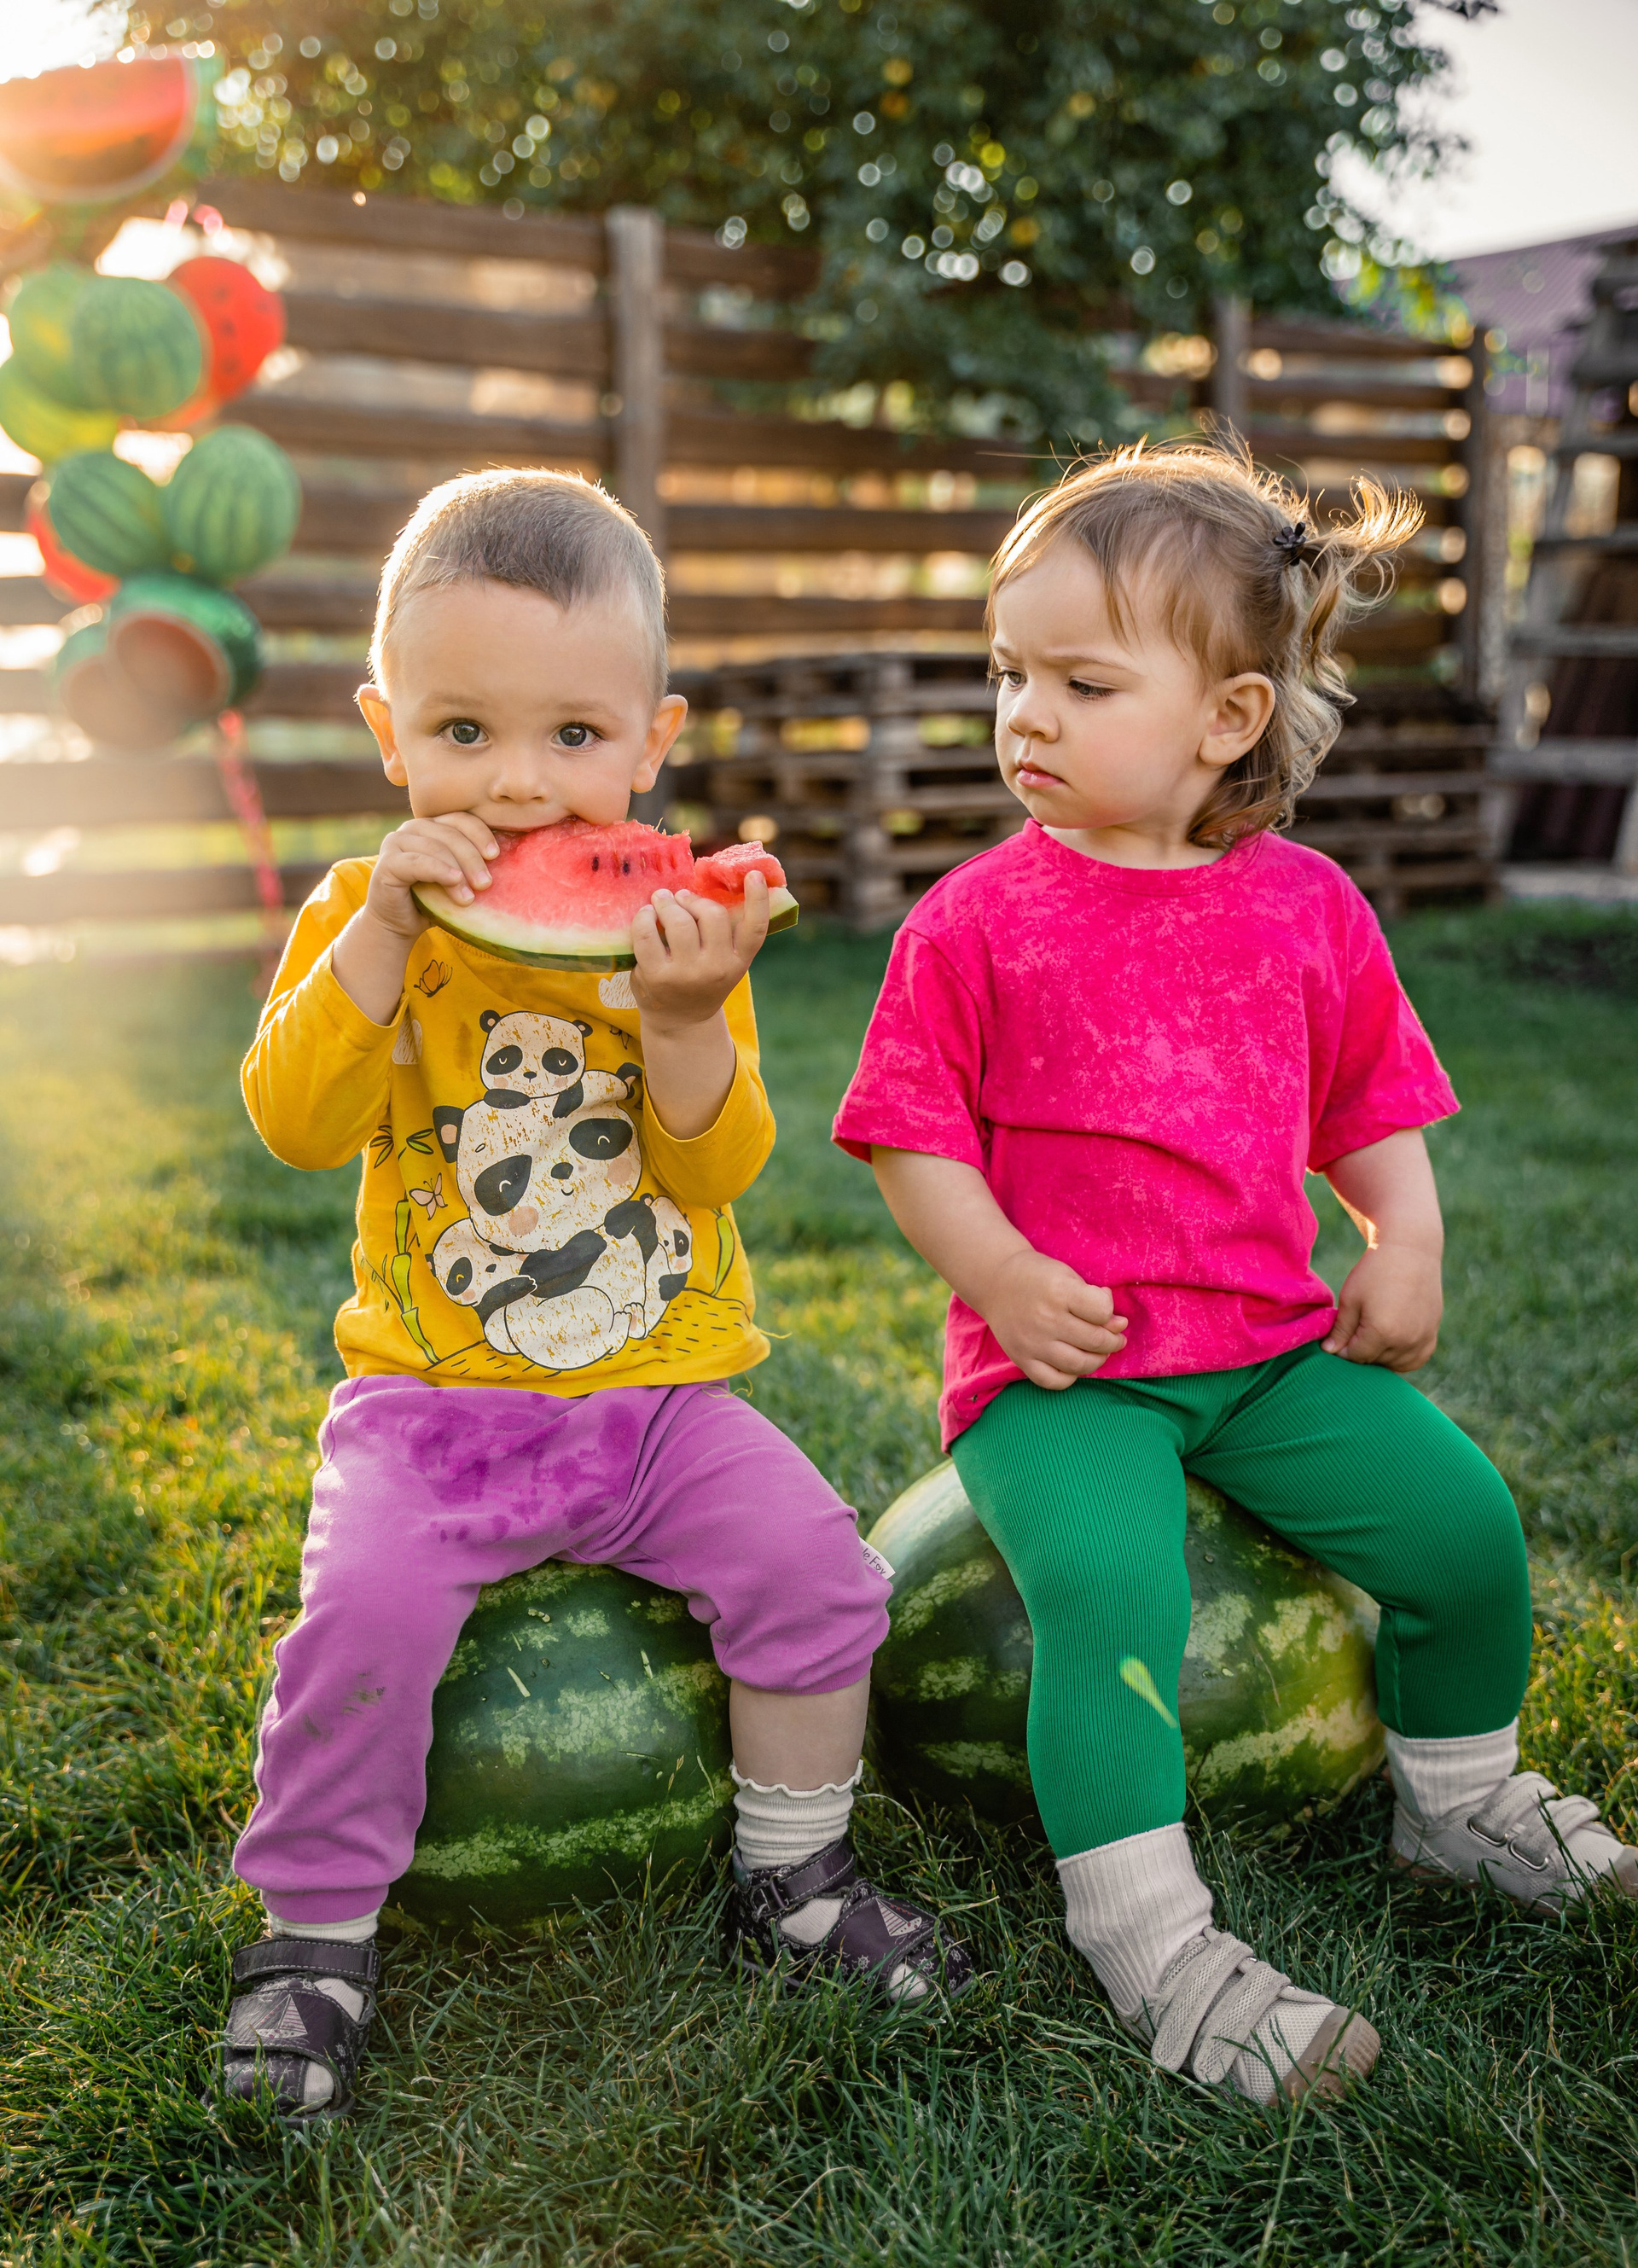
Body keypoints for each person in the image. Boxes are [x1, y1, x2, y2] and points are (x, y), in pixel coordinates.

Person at [834, 438, 1635, 2108]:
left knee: (1465, 1530)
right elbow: (912, 1138)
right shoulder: (974, 922)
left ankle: (1458, 1803)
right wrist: (1004, 1274)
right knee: (1113, 1599)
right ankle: (1150, 1939)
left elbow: (1369, 1103)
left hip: (1267, 1357)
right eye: (1009, 675)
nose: (1026, 715)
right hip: (1066, 1377)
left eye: (1082, 683)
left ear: (1228, 719)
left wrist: (1405, 1239)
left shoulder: (1308, 910)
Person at [223, 468, 971, 2123]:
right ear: (386, 733)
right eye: (463, 731)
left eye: (573, 736)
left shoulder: (682, 925)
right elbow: (294, 1122)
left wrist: (687, 1020)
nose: (518, 783)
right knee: (356, 1628)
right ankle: (313, 1937)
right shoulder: (361, 914)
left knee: (822, 1577)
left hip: (656, 1407)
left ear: (652, 742)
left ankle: (795, 1877)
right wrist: (377, 943)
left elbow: (719, 1168)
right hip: (432, 1412)